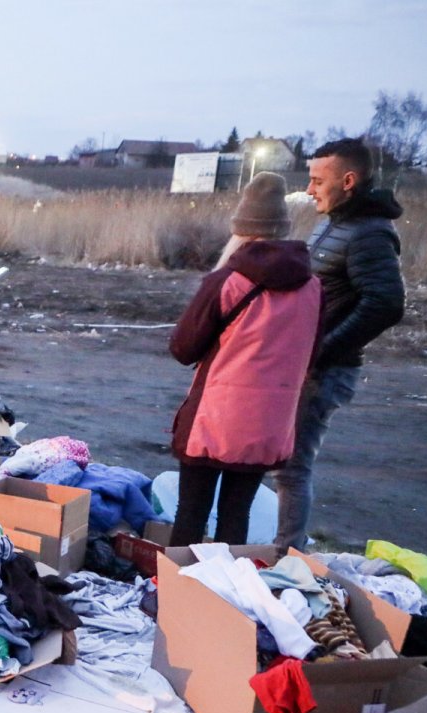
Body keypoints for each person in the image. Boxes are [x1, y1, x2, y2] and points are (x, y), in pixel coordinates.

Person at [167, 173, 322, 547]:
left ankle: (171, 593)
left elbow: (183, 348)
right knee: (237, 514)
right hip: (270, 423)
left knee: (192, 512)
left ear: (241, 228)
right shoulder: (314, 286)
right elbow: (311, 352)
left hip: (215, 418)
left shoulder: (227, 281)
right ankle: (227, 595)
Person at [274, 138, 406, 551]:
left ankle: (287, 556)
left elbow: (385, 303)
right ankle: (283, 548)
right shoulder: (335, 220)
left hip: (325, 371)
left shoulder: (369, 232)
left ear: (348, 181)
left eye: (317, 181)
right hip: (307, 365)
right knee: (283, 462)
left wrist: (322, 350)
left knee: (293, 467)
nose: (310, 189)